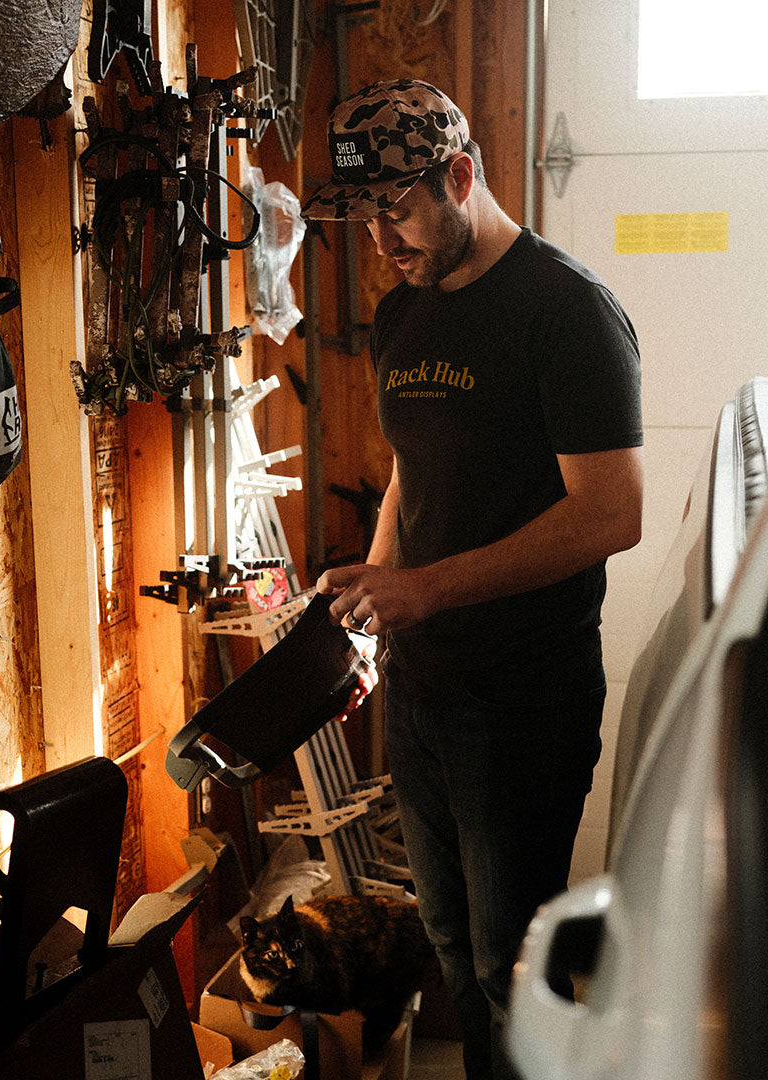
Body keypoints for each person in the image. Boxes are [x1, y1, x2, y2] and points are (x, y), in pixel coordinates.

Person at [302, 79, 644, 1080]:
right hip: (423, 688)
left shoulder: (565, 311)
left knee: (512, 964)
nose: (384, 241)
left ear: (461, 175)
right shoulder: (403, 314)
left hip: (523, 698)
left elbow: (610, 513)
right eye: (367, 217)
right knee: (450, 948)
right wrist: (376, 588)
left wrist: (430, 591)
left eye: (399, 210)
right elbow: (414, 468)